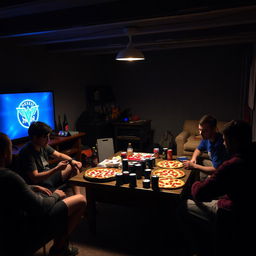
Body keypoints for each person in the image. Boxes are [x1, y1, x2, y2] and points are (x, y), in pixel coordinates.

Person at [0, 132, 86, 256]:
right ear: (4, 153)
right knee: (81, 200)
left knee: (71, 168)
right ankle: (59, 248)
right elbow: (41, 206)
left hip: (12, 222)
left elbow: (13, 190)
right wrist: (56, 195)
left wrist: (30, 187)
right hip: (28, 223)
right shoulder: (10, 176)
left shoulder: (8, 177)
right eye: (10, 148)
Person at [178, 120, 255, 256]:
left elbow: (201, 194)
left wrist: (193, 184)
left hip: (230, 212)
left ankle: (197, 248)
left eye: (226, 140)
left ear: (235, 142)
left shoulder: (232, 165)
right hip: (248, 208)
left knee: (183, 204)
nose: (224, 144)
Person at [19, 121, 82, 194]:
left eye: (48, 136)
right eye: (45, 137)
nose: (48, 140)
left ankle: (78, 195)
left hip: (48, 176)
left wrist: (72, 161)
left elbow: (59, 155)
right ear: (35, 137)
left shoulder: (43, 145)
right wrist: (56, 169)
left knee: (73, 166)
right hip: (40, 184)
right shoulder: (27, 152)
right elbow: (35, 178)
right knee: (61, 195)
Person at [183, 114, 227, 179]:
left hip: (223, 172)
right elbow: (198, 149)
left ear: (214, 129)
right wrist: (193, 159)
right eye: (199, 130)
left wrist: (194, 166)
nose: (200, 133)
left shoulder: (219, 145)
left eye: (204, 131)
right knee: (198, 160)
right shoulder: (206, 138)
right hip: (214, 164)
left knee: (196, 166)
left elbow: (216, 170)